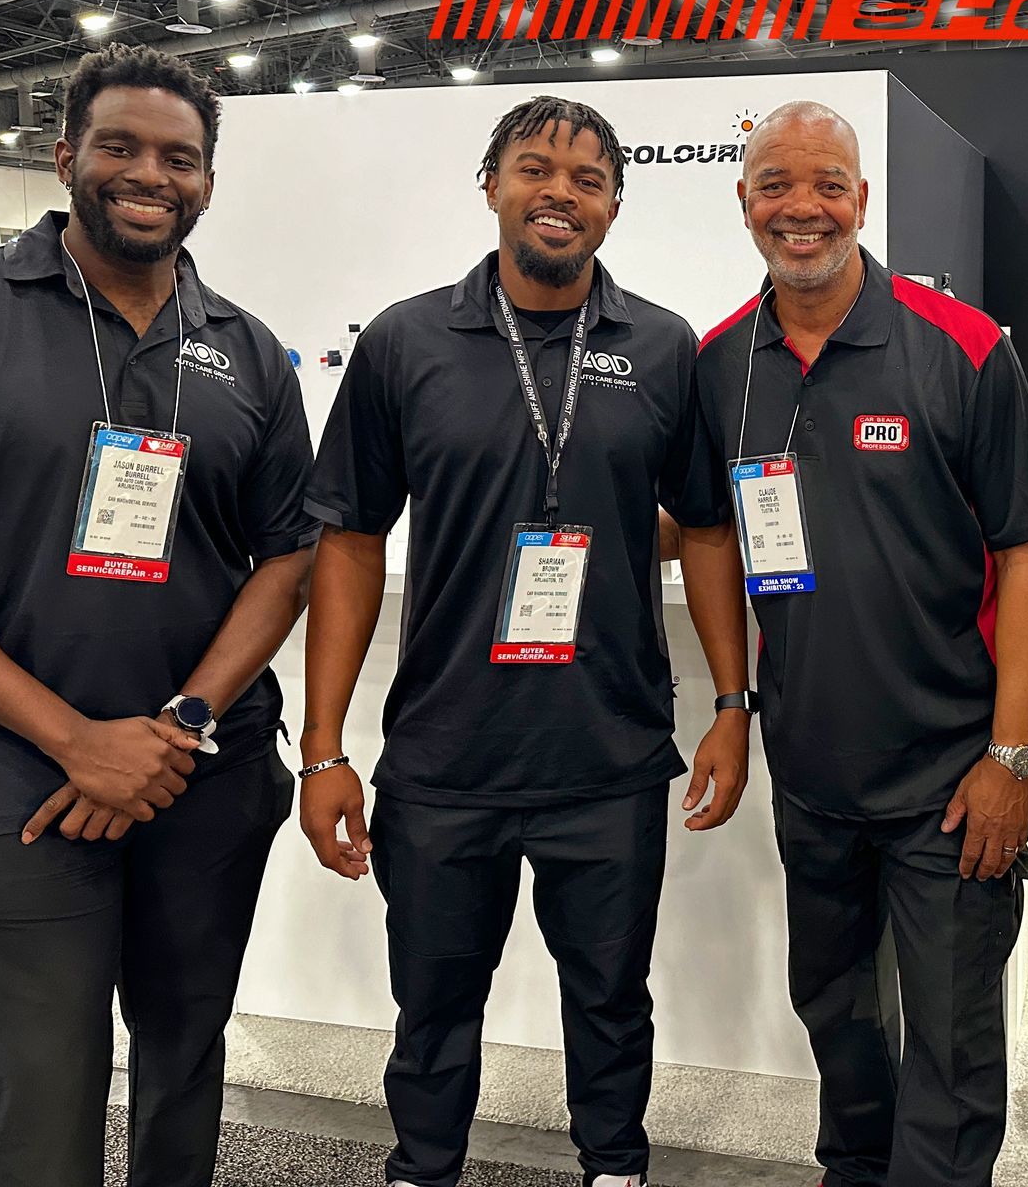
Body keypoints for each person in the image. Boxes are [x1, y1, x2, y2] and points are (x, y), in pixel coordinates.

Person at [299, 96, 744, 1187]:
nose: (561, 192)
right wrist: (321, 748)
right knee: (434, 1004)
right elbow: (349, 540)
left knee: (609, 1000)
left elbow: (711, 530)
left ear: (615, 206)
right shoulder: (406, 341)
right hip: (446, 759)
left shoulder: (663, 346)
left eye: (588, 179)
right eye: (536, 167)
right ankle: (424, 1167)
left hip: (610, 757)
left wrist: (735, 704)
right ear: (490, 184)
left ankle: (615, 1167)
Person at [0, 44, 317, 1187]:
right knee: (44, 1092)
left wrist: (181, 721)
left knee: (184, 1067)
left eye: (179, 157)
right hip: (4, 780)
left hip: (201, 775)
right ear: (65, 153)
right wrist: (78, 740)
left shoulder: (244, 352)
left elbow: (286, 559)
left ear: (208, 181)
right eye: (121, 146)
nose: (150, 174)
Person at [677, 101, 1028, 1187]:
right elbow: (709, 530)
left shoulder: (966, 349)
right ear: (745, 202)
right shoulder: (720, 364)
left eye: (827, 183)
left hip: (953, 780)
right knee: (836, 1017)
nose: (802, 208)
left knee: (951, 1048)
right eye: (776, 185)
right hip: (811, 777)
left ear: (862, 198)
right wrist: (730, 704)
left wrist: (1013, 757)